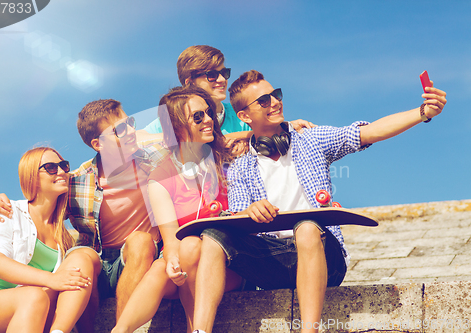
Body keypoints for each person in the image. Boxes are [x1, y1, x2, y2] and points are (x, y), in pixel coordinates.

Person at [186, 70, 447, 333]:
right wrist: (249, 211)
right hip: (272, 260)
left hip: (323, 256)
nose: (275, 102)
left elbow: (369, 133)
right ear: (244, 116)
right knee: (213, 234)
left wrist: (422, 112)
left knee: (308, 226)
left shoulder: (311, 140)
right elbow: (238, 219)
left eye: (276, 95)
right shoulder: (241, 166)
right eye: (263, 101)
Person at [0, 100, 169, 332]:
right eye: (120, 129)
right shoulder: (77, 181)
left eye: (130, 123)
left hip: (136, 258)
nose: (131, 131)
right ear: (97, 144)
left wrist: (228, 138)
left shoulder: (155, 159)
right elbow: (40, 202)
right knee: (81, 254)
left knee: (141, 240)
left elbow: (201, 141)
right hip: (97, 264)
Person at [112, 86, 243, 333]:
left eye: (208, 113)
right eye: (197, 116)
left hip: (229, 265)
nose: (208, 120)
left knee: (192, 246)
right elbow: (170, 239)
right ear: (176, 127)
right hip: (184, 262)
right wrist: (172, 260)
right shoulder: (160, 177)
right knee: (166, 264)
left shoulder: (229, 163)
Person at [0, 147, 95, 333]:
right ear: (32, 177)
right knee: (33, 296)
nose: (61, 171)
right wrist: (52, 279)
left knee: (79, 261)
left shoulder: (64, 237)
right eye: (51, 167)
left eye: (64, 166)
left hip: (34, 305)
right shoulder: (8, 210)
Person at [144, 45, 315, 152]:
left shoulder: (239, 113)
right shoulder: (175, 118)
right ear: (189, 83)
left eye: (224, 73)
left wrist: (288, 126)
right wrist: (226, 139)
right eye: (211, 75)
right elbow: (132, 141)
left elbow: (267, 133)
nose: (222, 80)